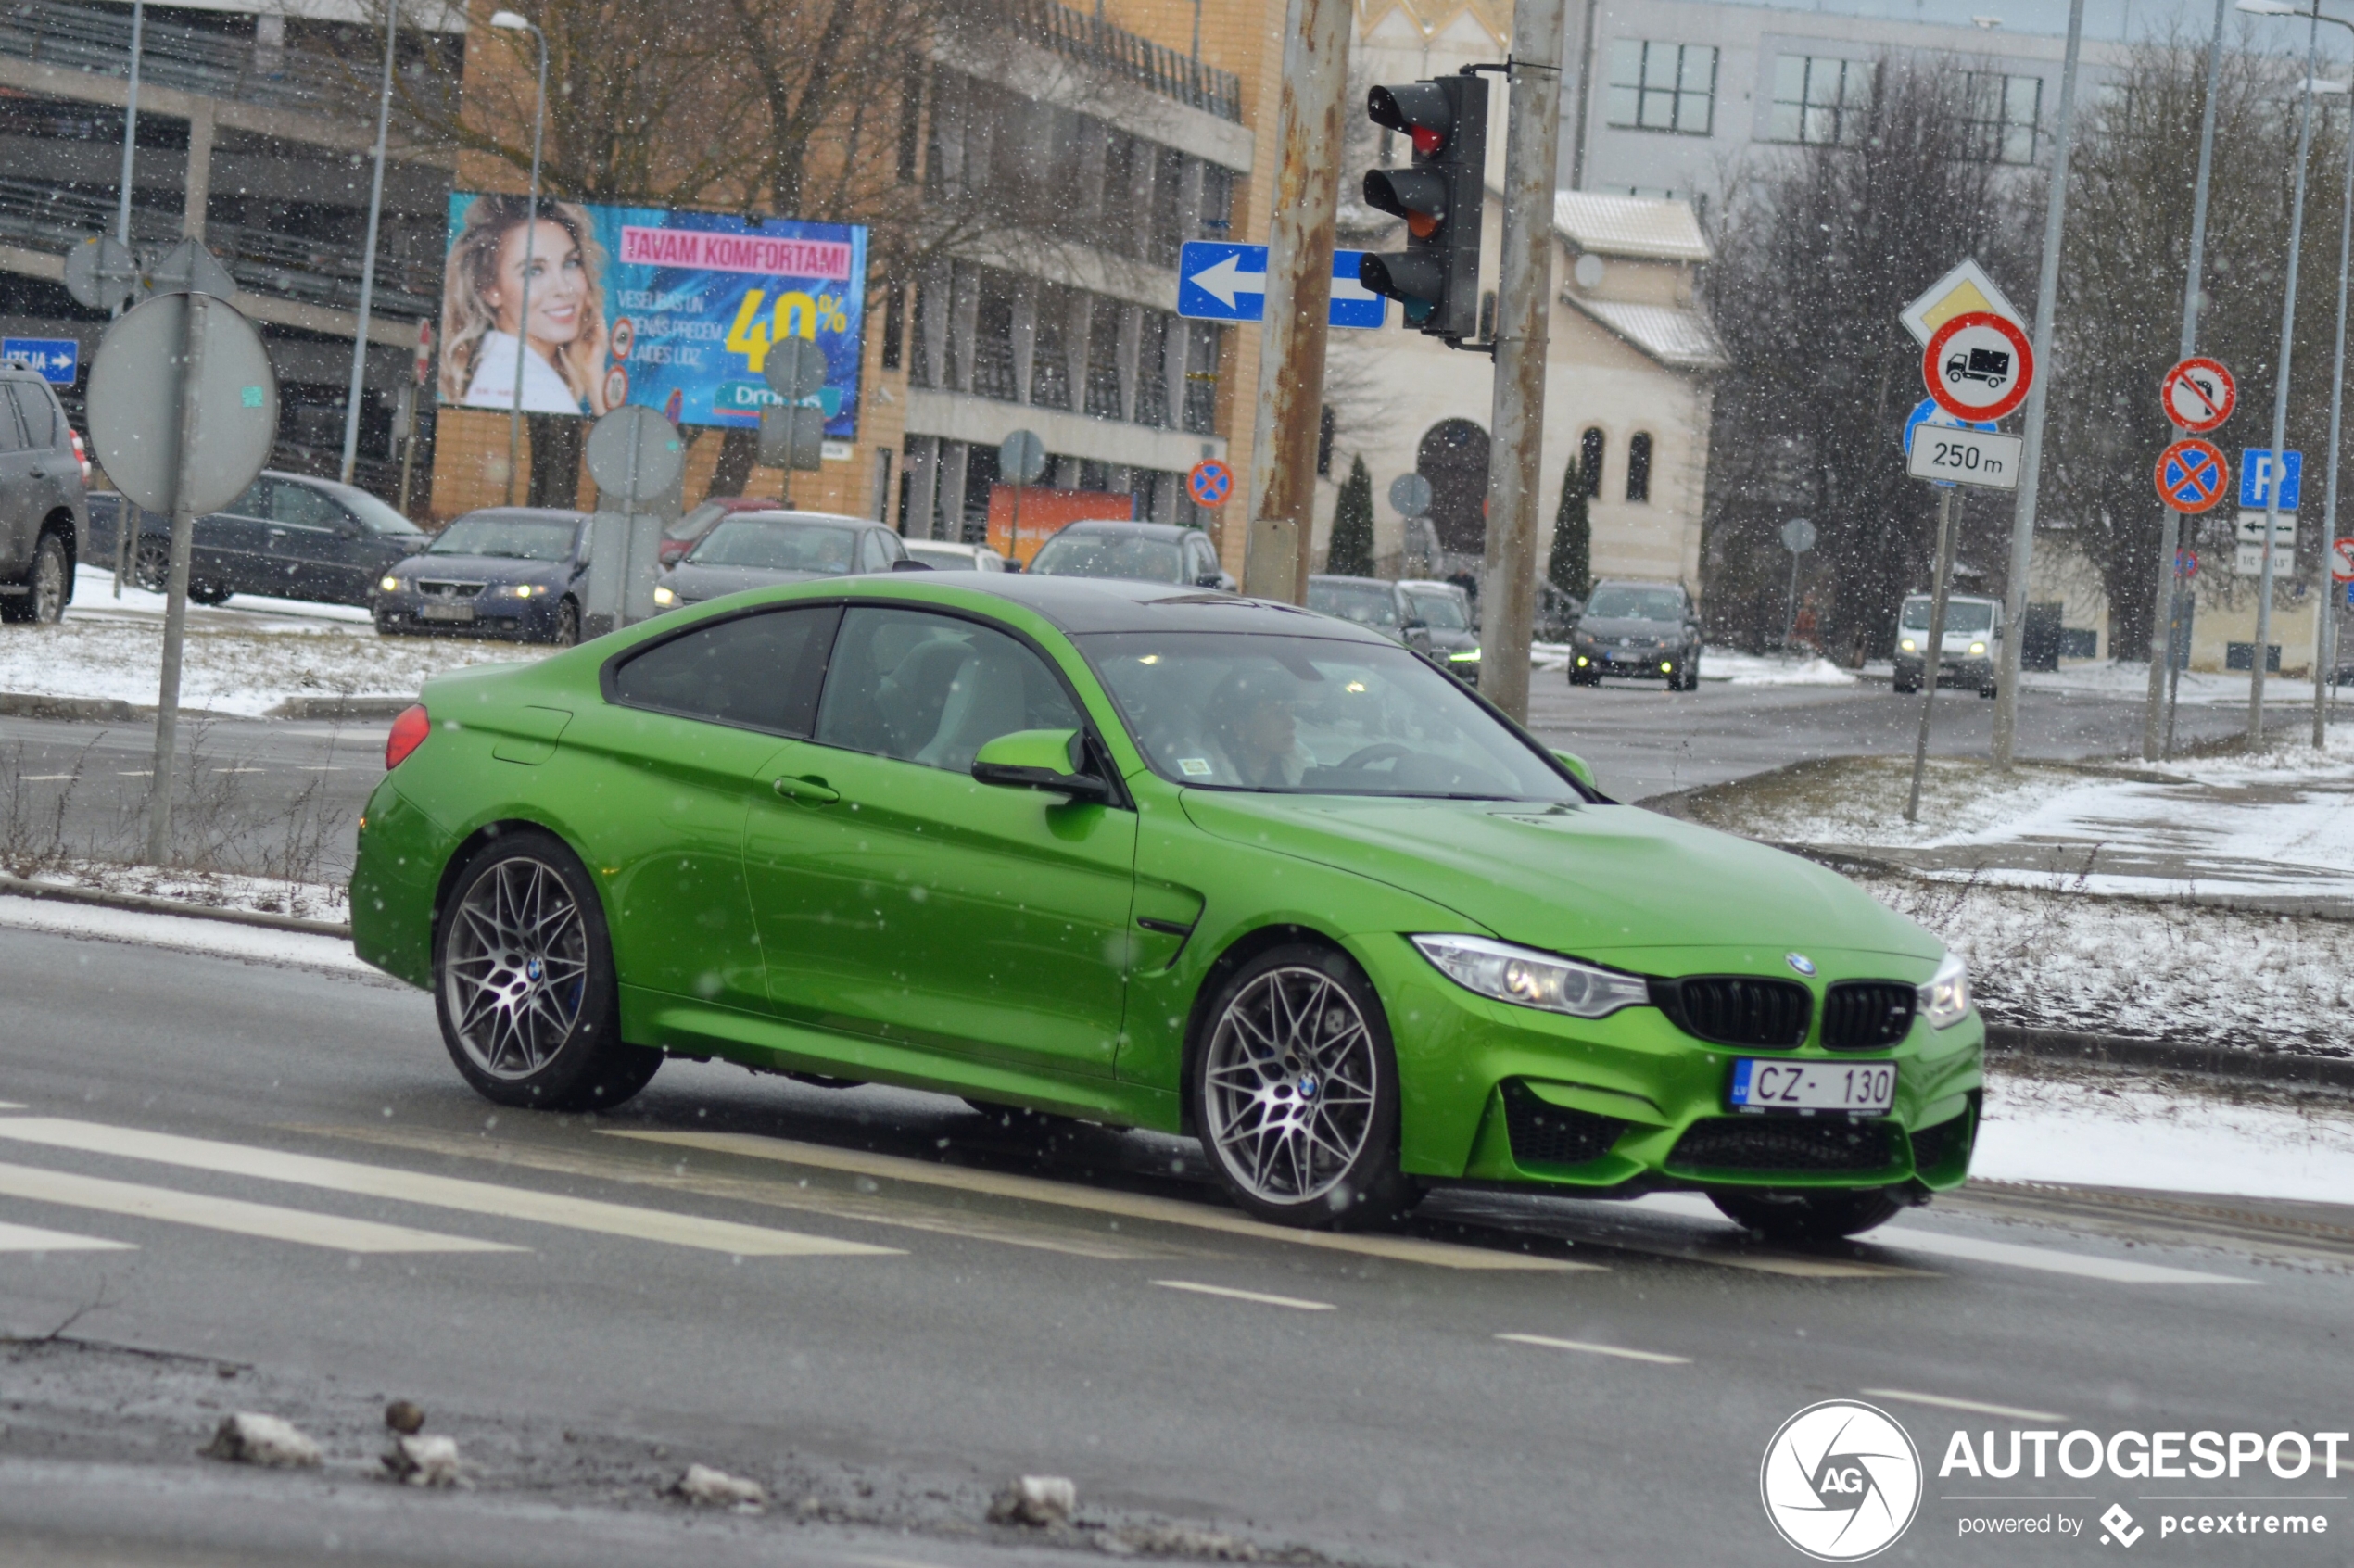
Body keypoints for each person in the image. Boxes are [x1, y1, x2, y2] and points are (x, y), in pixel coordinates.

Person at [439, 195, 611, 417]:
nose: (563, 288)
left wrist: (593, 375)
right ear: (491, 289)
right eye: (534, 271)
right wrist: (598, 390)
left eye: (570, 263)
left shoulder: (507, 370)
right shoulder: (533, 388)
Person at [1201, 669, 1316, 789]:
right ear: (1240, 726)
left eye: (1291, 712)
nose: (1292, 723)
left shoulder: (1300, 767)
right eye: (1277, 713)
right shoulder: (1204, 785)